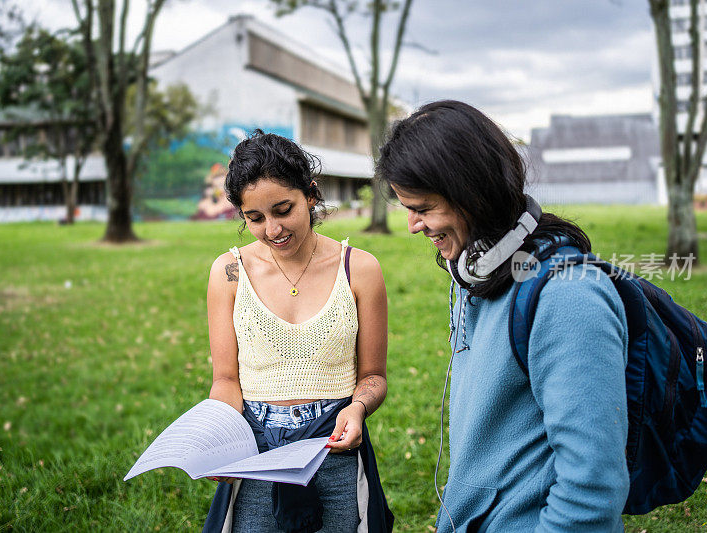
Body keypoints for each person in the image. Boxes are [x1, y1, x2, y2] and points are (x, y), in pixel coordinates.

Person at [376, 101, 629, 532]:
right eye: (406, 207)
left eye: (422, 207)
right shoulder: (478, 273)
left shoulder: (569, 297)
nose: (412, 225)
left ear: (473, 193)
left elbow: (592, 491)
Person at [202, 130, 393, 532]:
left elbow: (373, 377)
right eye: (255, 218)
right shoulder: (229, 273)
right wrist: (220, 436)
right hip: (255, 450)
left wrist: (357, 409)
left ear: (311, 194)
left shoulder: (359, 269)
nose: (273, 230)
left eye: (283, 209)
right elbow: (225, 379)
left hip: (334, 445)